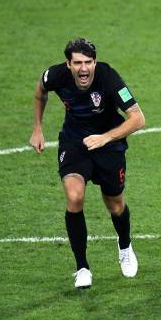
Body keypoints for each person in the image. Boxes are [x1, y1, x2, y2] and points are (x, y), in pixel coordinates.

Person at [29, 38, 145, 289]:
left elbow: (138, 119)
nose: (84, 69)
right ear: (68, 64)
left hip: (109, 144)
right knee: (74, 197)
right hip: (75, 142)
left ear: (95, 61)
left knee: (115, 204)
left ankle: (124, 245)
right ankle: (82, 267)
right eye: (78, 63)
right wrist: (37, 128)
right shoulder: (55, 75)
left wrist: (105, 138)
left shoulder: (109, 77)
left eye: (89, 62)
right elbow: (40, 91)